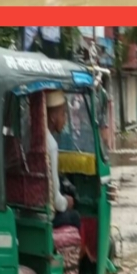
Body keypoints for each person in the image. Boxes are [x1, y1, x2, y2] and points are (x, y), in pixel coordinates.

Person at [44, 90, 80, 230]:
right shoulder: (51, 145)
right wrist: (67, 202)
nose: (65, 120)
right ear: (53, 117)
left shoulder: (31, 136)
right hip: (48, 217)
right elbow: (56, 201)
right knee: (75, 216)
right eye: (63, 114)